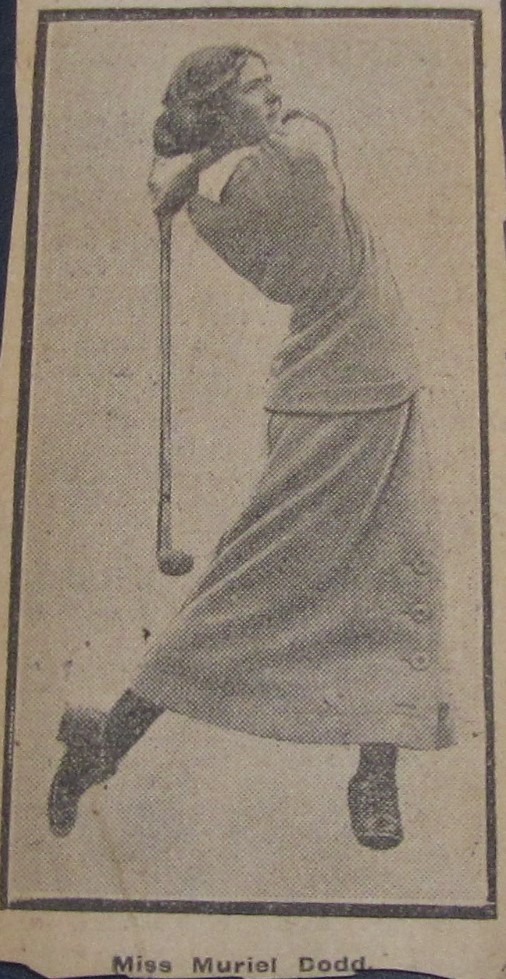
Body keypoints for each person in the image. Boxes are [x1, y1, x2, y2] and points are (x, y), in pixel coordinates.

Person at [48, 44, 455, 850]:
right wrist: (198, 172)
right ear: (220, 111)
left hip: (381, 388)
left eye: (271, 83)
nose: (276, 95)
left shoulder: (213, 203)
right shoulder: (277, 171)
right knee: (248, 587)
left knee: (394, 582)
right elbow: (310, 140)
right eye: (254, 88)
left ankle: (375, 771)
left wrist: (189, 174)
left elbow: (278, 144)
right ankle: (108, 737)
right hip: (331, 402)